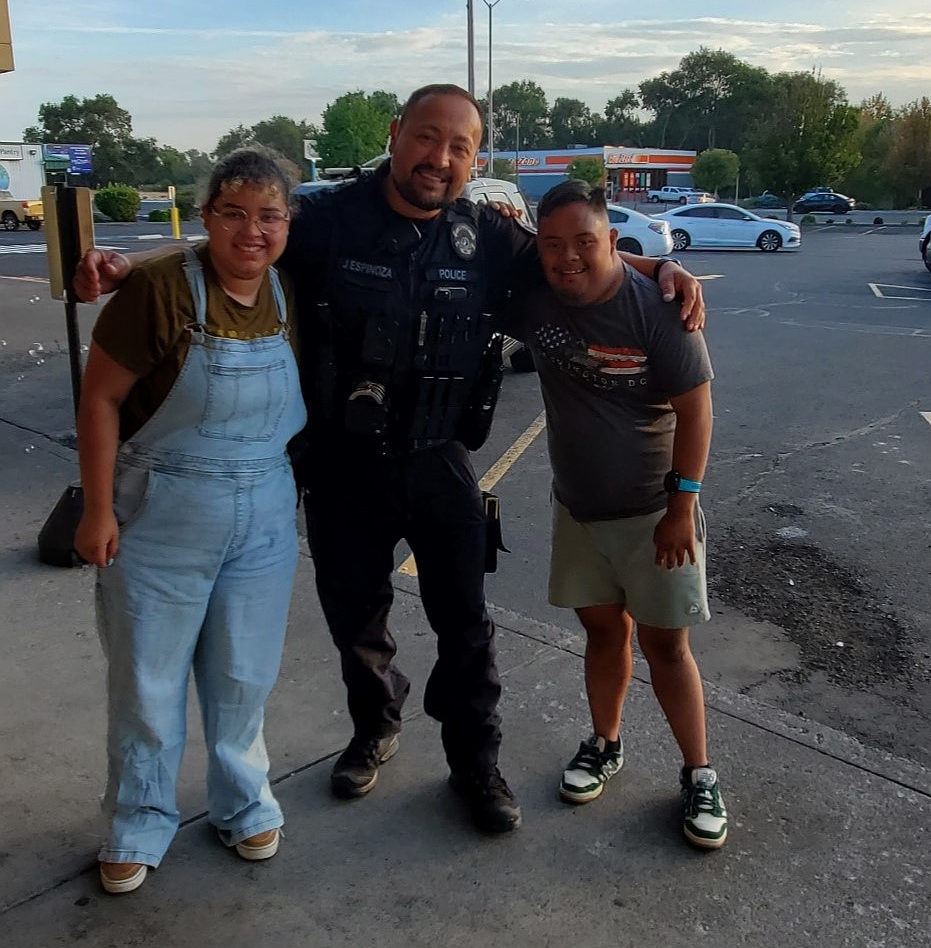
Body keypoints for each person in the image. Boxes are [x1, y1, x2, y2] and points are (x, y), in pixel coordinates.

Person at [76, 84, 704, 837]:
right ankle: (375, 727)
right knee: (356, 621)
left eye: (460, 147)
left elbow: (577, 262)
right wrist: (127, 266)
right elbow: (238, 237)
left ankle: (475, 762)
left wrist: (658, 270)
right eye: (427, 138)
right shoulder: (328, 219)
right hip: (343, 465)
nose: (440, 159)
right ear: (396, 134)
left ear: (474, 160)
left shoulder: (492, 239)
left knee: (466, 628)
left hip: (440, 462)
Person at [73, 151, 306, 893]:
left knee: (244, 673)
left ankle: (244, 802)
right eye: (233, 213)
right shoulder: (159, 291)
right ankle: (138, 821)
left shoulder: (287, 289)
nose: (251, 231)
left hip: (265, 508)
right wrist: (98, 507)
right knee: (148, 681)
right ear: (205, 217)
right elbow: (101, 399)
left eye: (268, 216)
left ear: (287, 222)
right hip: (161, 512)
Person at [509, 179, 727, 849]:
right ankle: (605, 743)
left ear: (612, 240)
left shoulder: (657, 312)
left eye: (584, 242)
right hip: (577, 511)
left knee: (665, 646)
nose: (566, 257)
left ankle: (699, 773)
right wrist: (660, 260)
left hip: (651, 513)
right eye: (552, 245)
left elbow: (696, 411)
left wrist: (680, 506)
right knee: (602, 636)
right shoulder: (536, 292)